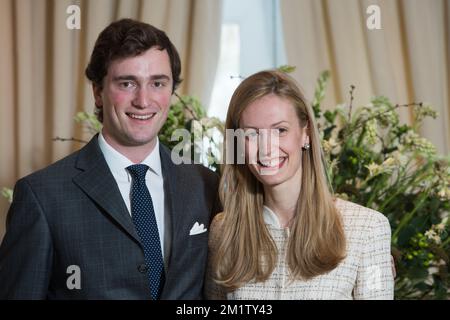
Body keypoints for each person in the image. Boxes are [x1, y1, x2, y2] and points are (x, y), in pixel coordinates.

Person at [0, 19, 220, 299]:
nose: (143, 100)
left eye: (157, 83)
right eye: (127, 83)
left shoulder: (205, 185)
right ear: (98, 92)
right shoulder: (42, 196)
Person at [205, 70, 394, 299]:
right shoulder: (223, 230)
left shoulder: (368, 229)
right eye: (251, 134)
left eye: (280, 130)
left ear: (305, 133)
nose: (266, 149)